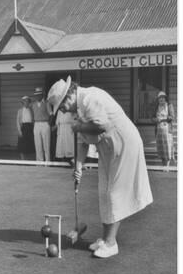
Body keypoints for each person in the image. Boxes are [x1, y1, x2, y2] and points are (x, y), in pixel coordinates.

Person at [47, 77, 153, 259]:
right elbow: (83, 143)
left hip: (125, 144)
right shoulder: (78, 110)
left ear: (68, 97)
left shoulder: (89, 98)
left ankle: (111, 244)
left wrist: (79, 126)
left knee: (115, 193)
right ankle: (105, 239)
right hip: (109, 149)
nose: (62, 111)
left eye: (61, 107)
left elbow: (103, 125)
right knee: (104, 192)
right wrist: (78, 168)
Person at [152, 91, 176, 171]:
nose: (161, 100)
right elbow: (152, 118)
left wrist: (165, 119)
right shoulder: (156, 107)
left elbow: (172, 116)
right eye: (160, 98)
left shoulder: (169, 105)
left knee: (167, 147)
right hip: (159, 130)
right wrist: (156, 119)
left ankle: (167, 166)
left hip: (167, 130)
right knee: (161, 148)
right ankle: (163, 165)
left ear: (165, 98)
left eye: (162, 98)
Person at [31, 86, 51, 162]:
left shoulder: (46, 103)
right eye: (36, 95)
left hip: (45, 124)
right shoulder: (33, 104)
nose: (37, 96)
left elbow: (51, 114)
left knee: (46, 144)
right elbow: (32, 115)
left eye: (39, 95)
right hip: (36, 124)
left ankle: (47, 162)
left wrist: (49, 124)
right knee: (38, 144)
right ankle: (39, 162)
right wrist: (34, 124)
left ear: (42, 95)